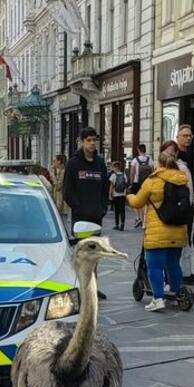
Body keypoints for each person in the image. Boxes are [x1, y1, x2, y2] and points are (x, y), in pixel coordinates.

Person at [127, 152, 189, 312]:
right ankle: (176, 295)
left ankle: (158, 298)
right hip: (178, 230)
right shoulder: (182, 180)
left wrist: (130, 196)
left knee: (155, 266)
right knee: (173, 264)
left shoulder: (152, 181)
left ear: (158, 164)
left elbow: (137, 202)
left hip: (157, 232)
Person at [63, 127, 109, 299]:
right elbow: (67, 191)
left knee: (95, 254)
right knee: (83, 254)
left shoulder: (100, 163)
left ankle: (93, 287)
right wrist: (78, 208)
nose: (91, 143)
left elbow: (105, 189)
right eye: (88, 140)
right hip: (80, 218)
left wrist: (102, 208)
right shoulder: (73, 164)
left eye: (94, 140)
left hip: (96, 217)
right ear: (82, 141)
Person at [170, 129, 194, 286]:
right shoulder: (175, 155)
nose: (188, 138)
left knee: (186, 239)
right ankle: (179, 272)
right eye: (185, 135)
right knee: (178, 239)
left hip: (188, 206)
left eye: (190, 135)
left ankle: (186, 272)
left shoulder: (193, 153)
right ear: (177, 137)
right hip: (178, 205)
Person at [130, 144, 154, 227]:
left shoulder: (135, 160)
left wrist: (131, 182)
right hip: (147, 183)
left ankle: (138, 218)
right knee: (145, 202)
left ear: (138, 150)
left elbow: (132, 172)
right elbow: (153, 172)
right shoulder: (150, 160)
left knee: (134, 200)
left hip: (136, 183)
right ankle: (144, 220)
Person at [51, 155, 69, 232]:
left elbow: (58, 186)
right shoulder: (60, 172)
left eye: (55, 161)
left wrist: (52, 176)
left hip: (61, 201)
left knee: (63, 222)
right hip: (59, 200)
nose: (54, 163)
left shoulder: (63, 172)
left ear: (59, 161)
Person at [109, 161, 128, 231]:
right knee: (122, 210)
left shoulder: (113, 175)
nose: (112, 169)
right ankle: (122, 223)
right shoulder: (124, 175)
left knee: (116, 210)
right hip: (123, 195)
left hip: (116, 195)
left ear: (115, 168)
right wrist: (126, 193)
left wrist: (110, 194)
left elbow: (111, 186)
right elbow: (126, 185)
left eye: (113, 167)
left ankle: (117, 225)